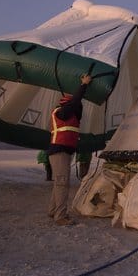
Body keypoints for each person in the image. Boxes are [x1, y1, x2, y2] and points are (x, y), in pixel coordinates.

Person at [46, 74, 92, 226]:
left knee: (59, 182)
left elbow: (77, 108)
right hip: (59, 151)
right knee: (62, 183)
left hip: (64, 151)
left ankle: (53, 210)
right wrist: (83, 85)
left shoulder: (70, 114)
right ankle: (60, 216)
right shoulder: (61, 112)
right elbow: (74, 105)